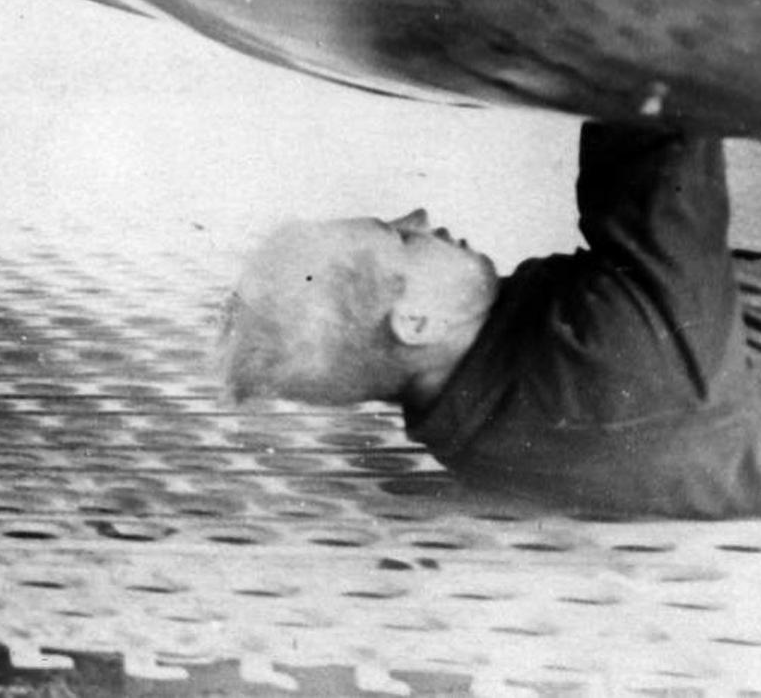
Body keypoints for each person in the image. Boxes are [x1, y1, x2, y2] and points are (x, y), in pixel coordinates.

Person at [216, 120, 761, 517]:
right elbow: (655, 120)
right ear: (417, 323)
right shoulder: (602, 362)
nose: (420, 217)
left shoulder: (468, 397)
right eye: (402, 237)